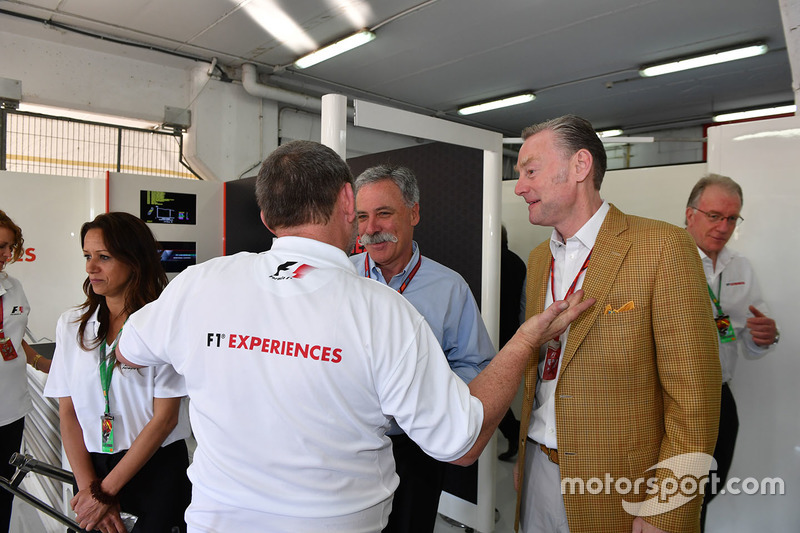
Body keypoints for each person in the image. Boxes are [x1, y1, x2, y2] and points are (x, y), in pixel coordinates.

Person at [114, 140, 594, 533]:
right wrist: (525, 342)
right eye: (363, 213)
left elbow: (129, 353)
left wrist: (211, 359)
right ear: (347, 202)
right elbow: (460, 440)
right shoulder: (382, 311)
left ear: (265, 217)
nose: (370, 228)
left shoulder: (201, 283)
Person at [512, 115, 721, 533]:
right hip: (536, 472)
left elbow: (695, 398)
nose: (519, 186)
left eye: (529, 171)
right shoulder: (539, 261)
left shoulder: (661, 247)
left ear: (580, 166)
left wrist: (668, 504)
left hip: (619, 490)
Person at [349, 164, 495, 533]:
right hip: (348, 445)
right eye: (362, 217)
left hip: (415, 449)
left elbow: (474, 362)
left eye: (384, 214)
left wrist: (434, 398)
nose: (370, 229)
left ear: (414, 213)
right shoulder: (341, 277)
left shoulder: (449, 287)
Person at [44, 212, 191, 533]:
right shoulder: (71, 325)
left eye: (104, 257)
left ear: (134, 260)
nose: (90, 267)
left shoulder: (161, 324)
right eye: (87, 256)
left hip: (155, 467)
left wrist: (105, 493)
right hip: (92, 467)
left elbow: (165, 419)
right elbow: (67, 411)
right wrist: (89, 490)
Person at [684, 174, 779, 531]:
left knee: (707, 488)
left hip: (720, 395)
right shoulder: (666, 258)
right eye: (714, 215)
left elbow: (750, 341)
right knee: (670, 489)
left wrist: (764, 337)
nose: (723, 227)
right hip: (671, 396)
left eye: (732, 218)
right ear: (690, 213)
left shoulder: (740, 267)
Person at [0, 210, 50, 533]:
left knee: (5, 490)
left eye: (8, 246)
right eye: (0, 247)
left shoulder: (14, 287)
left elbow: (15, 342)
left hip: (11, 408)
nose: (6, 254)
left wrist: (46, 365)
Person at [497, 225, 526, 462]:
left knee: (487, 391)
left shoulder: (489, 262)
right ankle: (514, 431)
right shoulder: (518, 262)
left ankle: (514, 431)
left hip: (490, 333)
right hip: (511, 333)